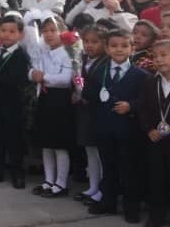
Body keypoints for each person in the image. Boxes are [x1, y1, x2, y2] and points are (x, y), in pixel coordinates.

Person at [83, 29, 148, 223]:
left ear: (132, 48)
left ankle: (131, 207)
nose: (119, 50)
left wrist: (131, 106)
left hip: (128, 130)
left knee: (129, 169)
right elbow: (88, 95)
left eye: (124, 46)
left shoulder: (141, 75)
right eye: (114, 46)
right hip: (104, 127)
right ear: (107, 48)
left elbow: (146, 101)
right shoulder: (98, 72)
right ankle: (108, 202)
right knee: (108, 166)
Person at [138, 40, 170, 227]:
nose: (158, 59)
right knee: (157, 179)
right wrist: (149, 129)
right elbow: (142, 108)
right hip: (156, 140)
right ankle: (157, 215)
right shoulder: (150, 81)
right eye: (155, 56)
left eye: (164, 55)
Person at [0, 14, 31, 189]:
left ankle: (17, 173)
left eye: (12, 31)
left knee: (14, 139)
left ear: (20, 35)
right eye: (3, 30)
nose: (7, 35)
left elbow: (14, 79)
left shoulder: (20, 56)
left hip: (13, 104)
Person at [30, 16, 75, 198]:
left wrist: (44, 77)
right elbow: (33, 71)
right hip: (45, 98)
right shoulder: (44, 52)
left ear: (62, 31)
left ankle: (61, 183)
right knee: (46, 144)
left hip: (60, 100)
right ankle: (48, 180)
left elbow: (65, 79)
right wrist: (33, 74)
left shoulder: (68, 53)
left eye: (53, 30)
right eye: (45, 31)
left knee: (59, 144)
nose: (48, 35)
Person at [73, 25, 109, 206]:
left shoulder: (106, 63)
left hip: (98, 112)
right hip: (85, 111)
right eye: (86, 41)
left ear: (104, 43)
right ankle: (93, 186)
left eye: (95, 42)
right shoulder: (83, 60)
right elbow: (80, 80)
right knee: (90, 152)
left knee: (100, 153)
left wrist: (86, 94)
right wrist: (77, 91)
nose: (89, 45)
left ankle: (103, 188)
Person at [65, 0, 137, 32]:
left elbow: (131, 32)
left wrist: (118, 11)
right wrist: (84, 2)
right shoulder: (92, 12)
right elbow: (68, 21)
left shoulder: (130, 16)